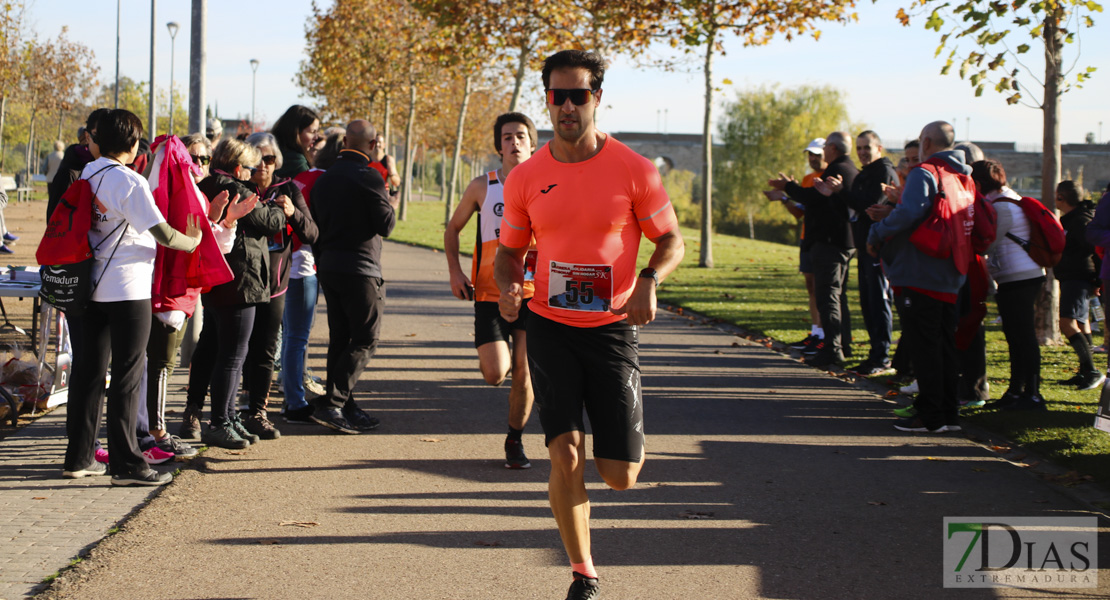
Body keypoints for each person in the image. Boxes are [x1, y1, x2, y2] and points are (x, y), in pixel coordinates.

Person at [495, 50, 684, 600]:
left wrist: (649, 278)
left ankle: (615, 467)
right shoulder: (528, 176)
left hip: (611, 327)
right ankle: (583, 572)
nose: (568, 107)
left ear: (597, 98)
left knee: (621, 473)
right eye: (558, 96)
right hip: (549, 325)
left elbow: (670, 239)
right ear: (547, 101)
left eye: (579, 95)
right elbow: (510, 252)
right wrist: (508, 285)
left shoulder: (633, 169)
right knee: (565, 453)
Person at [62, 109, 204, 485]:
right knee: (127, 374)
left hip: (87, 286)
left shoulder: (89, 173)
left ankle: (78, 457)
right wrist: (195, 240)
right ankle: (126, 464)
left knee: (88, 373)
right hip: (127, 288)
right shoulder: (129, 182)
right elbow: (164, 234)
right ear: (134, 143)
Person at [445, 112, 539, 469]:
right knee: (495, 373)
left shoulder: (547, 185)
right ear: (498, 146)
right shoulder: (482, 187)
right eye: (506, 137)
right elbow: (452, 230)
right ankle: (514, 379)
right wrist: (455, 272)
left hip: (536, 295)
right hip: (489, 294)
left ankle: (515, 439)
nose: (514, 142)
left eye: (520, 136)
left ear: (532, 143)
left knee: (524, 372)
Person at [868, 120, 971, 433]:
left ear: (926, 142)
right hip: (950, 269)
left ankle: (929, 415)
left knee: (924, 346)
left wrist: (877, 231)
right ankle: (948, 413)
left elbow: (910, 212)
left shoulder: (925, 173)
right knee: (943, 345)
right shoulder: (962, 176)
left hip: (920, 270)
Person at [186, 138, 286, 449]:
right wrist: (281, 209)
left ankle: (227, 417)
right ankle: (220, 421)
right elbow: (267, 221)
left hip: (221, 280)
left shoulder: (208, 184)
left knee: (225, 351)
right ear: (240, 168)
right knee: (233, 356)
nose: (258, 174)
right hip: (240, 281)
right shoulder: (232, 187)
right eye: (254, 169)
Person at [308, 120, 397, 434]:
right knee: (364, 339)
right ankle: (332, 402)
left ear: (345, 141)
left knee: (341, 339)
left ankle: (345, 405)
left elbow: (314, 226)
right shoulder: (369, 176)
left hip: (330, 266)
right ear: (372, 146)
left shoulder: (325, 179)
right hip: (361, 268)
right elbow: (385, 225)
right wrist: (391, 199)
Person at [239, 131, 318, 439]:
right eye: (258, 159)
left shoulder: (287, 189)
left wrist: (292, 212)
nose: (264, 166)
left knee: (266, 349)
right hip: (242, 281)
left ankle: (258, 412)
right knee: (237, 347)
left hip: (276, 282)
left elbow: (312, 233)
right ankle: (230, 410)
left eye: (269, 159)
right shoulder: (241, 189)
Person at [769, 132, 858, 368]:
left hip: (830, 242)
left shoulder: (838, 169)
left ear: (831, 148)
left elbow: (813, 198)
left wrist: (788, 187)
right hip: (838, 241)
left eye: (823, 149)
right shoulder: (847, 167)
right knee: (835, 296)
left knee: (827, 296)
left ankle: (832, 349)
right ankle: (841, 344)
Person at [973, 159, 1048, 411]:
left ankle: (1033, 394)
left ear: (980, 183)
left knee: (1023, 336)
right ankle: (1016, 390)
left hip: (1021, 277)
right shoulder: (1004, 199)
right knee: (1015, 336)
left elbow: (988, 242)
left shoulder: (1002, 205)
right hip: (1015, 276)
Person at [283, 132, 343, 422]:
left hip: (289, 259)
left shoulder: (305, 177)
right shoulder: (325, 180)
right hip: (303, 261)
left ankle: (291, 394)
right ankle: (294, 401)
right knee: (297, 336)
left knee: (290, 335)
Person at [845, 130, 898, 375]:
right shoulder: (864, 174)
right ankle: (874, 354)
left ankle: (882, 356)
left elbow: (869, 205)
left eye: (867, 147)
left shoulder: (883, 172)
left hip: (878, 247)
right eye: (859, 148)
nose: (863, 152)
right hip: (863, 244)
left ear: (879, 147)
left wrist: (840, 193)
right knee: (867, 301)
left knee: (879, 300)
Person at [770, 138, 825, 353]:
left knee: (822, 288)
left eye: (817, 155)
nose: (813, 159)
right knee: (811, 287)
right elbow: (799, 213)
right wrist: (784, 198)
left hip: (822, 241)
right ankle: (815, 332)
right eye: (810, 155)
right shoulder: (807, 179)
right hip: (806, 238)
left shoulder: (828, 178)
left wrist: (789, 191)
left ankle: (824, 333)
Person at [1055, 180, 1103, 390]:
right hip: (1073, 276)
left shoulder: (1080, 220)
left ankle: (1092, 370)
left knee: (1067, 322)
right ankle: (1085, 370)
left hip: (1079, 276)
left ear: (1061, 197)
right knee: (1081, 322)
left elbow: (1095, 249)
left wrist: (1097, 279)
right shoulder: (1072, 219)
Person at [47, 108, 109, 220]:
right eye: (98, 135)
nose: (104, 142)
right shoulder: (70, 172)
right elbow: (55, 221)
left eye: (109, 136)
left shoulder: (109, 169)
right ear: (87, 136)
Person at [271, 105, 320, 180]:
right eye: (312, 132)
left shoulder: (269, 154)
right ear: (296, 132)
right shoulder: (298, 164)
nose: (316, 137)